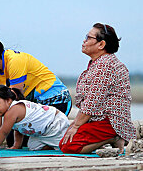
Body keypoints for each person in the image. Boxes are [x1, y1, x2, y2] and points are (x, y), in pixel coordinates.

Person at [0, 34, 72, 146]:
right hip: (37, 107)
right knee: (10, 140)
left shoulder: (15, 60)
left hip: (57, 100)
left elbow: (16, 98)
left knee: (20, 139)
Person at [59, 23, 137, 154]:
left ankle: (113, 137)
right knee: (66, 139)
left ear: (101, 45)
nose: (84, 41)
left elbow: (92, 102)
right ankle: (107, 139)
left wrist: (77, 125)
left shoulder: (105, 65)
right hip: (98, 119)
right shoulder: (99, 62)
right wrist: (76, 124)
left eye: (88, 38)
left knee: (68, 146)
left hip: (110, 121)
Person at [0, 85, 70, 151]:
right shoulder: (10, 113)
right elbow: (19, 129)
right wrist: (16, 145)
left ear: (8, 101)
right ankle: (51, 145)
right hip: (41, 133)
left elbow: (3, 132)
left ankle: (58, 143)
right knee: (32, 146)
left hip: (54, 123)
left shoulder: (13, 110)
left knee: (65, 146)